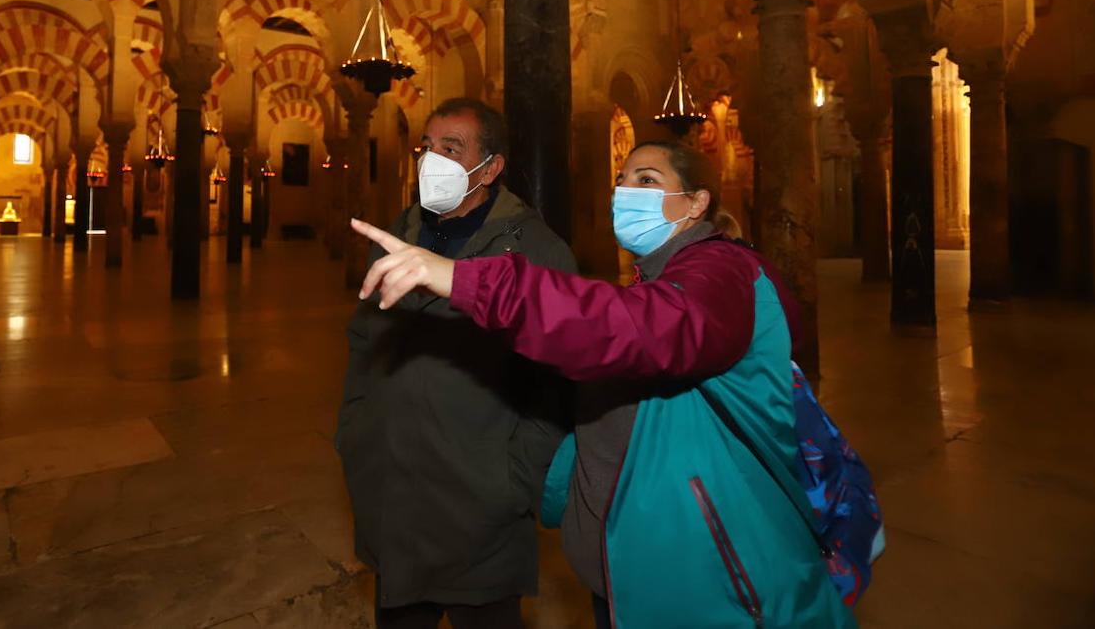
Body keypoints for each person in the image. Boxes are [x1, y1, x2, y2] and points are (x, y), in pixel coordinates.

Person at [349, 141, 855, 629]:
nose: (624, 192)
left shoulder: (721, 272)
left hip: (710, 577)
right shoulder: (656, 278)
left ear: (697, 202)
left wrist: (467, 281)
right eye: (621, 179)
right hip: (635, 576)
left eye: (647, 180)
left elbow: (645, 329)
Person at [335, 97, 577, 629]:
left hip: (479, 514)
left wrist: (512, 482)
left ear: (490, 168)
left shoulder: (535, 253)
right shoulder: (397, 236)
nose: (432, 161)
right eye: (427, 146)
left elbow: (555, 386)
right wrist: (355, 431)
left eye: (452, 148)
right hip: (394, 501)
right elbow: (363, 343)